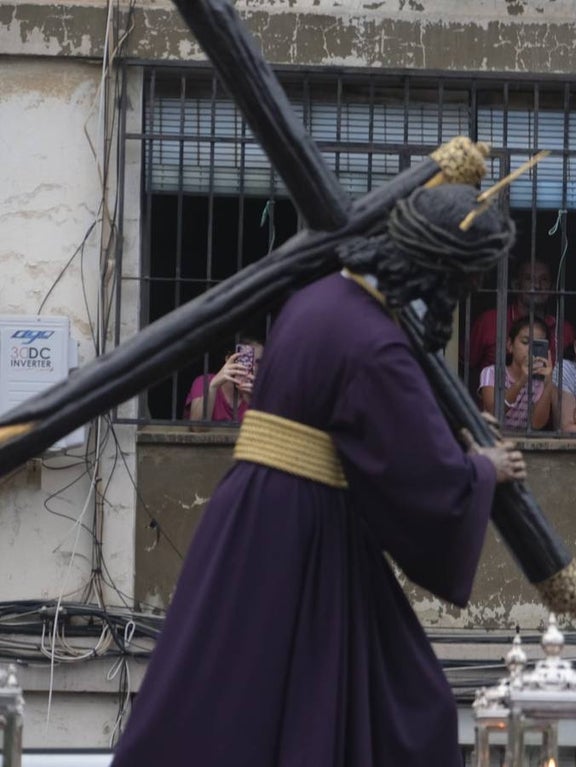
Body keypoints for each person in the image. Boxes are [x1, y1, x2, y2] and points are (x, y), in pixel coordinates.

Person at [110, 184, 526, 767]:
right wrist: (481, 469)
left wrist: (445, 439)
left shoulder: (321, 299)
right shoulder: (374, 339)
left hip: (260, 514)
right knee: (403, 707)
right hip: (302, 534)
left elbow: (370, 424)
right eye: (466, 281)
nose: (465, 297)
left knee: (241, 701)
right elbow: (413, 470)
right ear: (439, 270)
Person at [467, 258, 575, 386]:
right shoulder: (490, 321)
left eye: (544, 279)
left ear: (552, 288)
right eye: (529, 279)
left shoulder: (564, 330)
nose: (537, 286)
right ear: (515, 285)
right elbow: (463, 368)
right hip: (495, 404)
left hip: (546, 404)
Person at [478, 316, 554, 431]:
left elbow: (537, 424)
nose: (530, 349)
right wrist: (521, 381)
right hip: (492, 441)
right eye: (525, 342)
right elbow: (494, 413)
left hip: (524, 444)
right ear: (510, 345)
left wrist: (549, 384)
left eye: (537, 345)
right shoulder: (492, 372)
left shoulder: (540, 381)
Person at [183, 337, 263, 423]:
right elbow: (197, 428)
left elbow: (267, 432)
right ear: (229, 359)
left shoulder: (260, 389)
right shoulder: (204, 381)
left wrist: (253, 400)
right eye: (247, 360)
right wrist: (213, 387)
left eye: (258, 362)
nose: (253, 367)